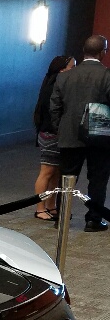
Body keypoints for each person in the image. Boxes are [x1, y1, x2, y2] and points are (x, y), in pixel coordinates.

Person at [51, 34, 110, 232]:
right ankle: (94, 220)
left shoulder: (64, 76)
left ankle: (62, 218)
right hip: (100, 136)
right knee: (98, 180)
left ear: (84, 51)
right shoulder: (107, 75)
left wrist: (60, 128)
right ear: (103, 52)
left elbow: (55, 107)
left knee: (67, 179)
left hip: (69, 134)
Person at [32, 55, 75, 220]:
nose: (74, 71)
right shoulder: (54, 87)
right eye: (72, 67)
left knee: (55, 172)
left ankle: (51, 205)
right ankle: (40, 208)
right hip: (51, 134)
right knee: (47, 172)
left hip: (52, 133)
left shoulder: (53, 85)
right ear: (62, 70)